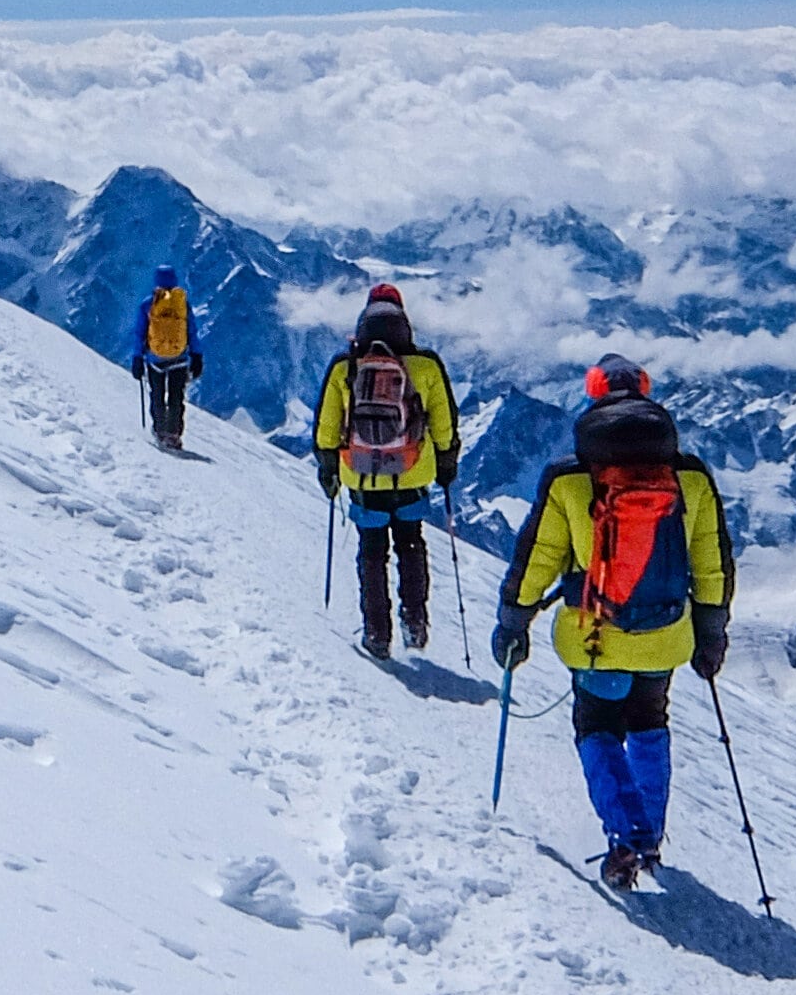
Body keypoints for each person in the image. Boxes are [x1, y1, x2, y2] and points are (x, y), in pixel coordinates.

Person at [495, 355, 731, 890]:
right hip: (666, 635)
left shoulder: (570, 480)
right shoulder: (689, 478)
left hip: (592, 637)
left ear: (593, 397)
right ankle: (649, 836)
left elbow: (538, 557)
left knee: (597, 726)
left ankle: (624, 836)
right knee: (650, 723)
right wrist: (712, 630)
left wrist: (515, 618)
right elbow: (712, 561)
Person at [312, 282, 461, 660]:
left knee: (371, 552)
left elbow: (327, 427)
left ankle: (377, 633)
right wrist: (446, 463)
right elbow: (444, 423)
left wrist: (328, 467)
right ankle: (416, 621)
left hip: (361, 475)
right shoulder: (426, 365)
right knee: (411, 546)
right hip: (411, 473)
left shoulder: (345, 366)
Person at [127, 264, 203, 451]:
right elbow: (192, 331)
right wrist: (197, 355)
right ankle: (174, 434)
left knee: (157, 395)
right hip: (180, 358)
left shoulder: (148, 304)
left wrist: (137, 357)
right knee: (176, 396)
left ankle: (160, 431)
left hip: (155, 359)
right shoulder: (182, 304)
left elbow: (139, 333)